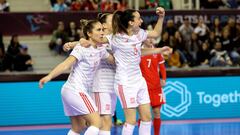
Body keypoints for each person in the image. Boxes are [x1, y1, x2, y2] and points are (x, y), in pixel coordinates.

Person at [39, 20, 115, 135]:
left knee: (77, 128)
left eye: (102, 30)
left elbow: (114, 60)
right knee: (97, 122)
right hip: (76, 90)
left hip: (70, 91)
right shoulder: (81, 48)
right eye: (98, 30)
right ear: (89, 33)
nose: (102, 33)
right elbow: (65, 64)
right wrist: (49, 76)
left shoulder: (100, 49)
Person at [110, 7, 171, 135]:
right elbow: (96, 41)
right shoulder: (115, 38)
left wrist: (161, 17)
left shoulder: (139, 34)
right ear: (131, 22)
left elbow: (155, 33)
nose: (141, 21)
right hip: (125, 83)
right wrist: (76, 43)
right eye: (139, 18)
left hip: (139, 81)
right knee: (131, 121)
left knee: (147, 118)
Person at [140, 37, 166, 135]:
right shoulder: (138, 51)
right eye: (148, 38)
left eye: (152, 38)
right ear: (143, 39)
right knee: (144, 115)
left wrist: (163, 79)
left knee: (157, 113)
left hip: (156, 87)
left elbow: (162, 67)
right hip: (143, 88)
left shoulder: (157, 51)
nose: (151, 40)